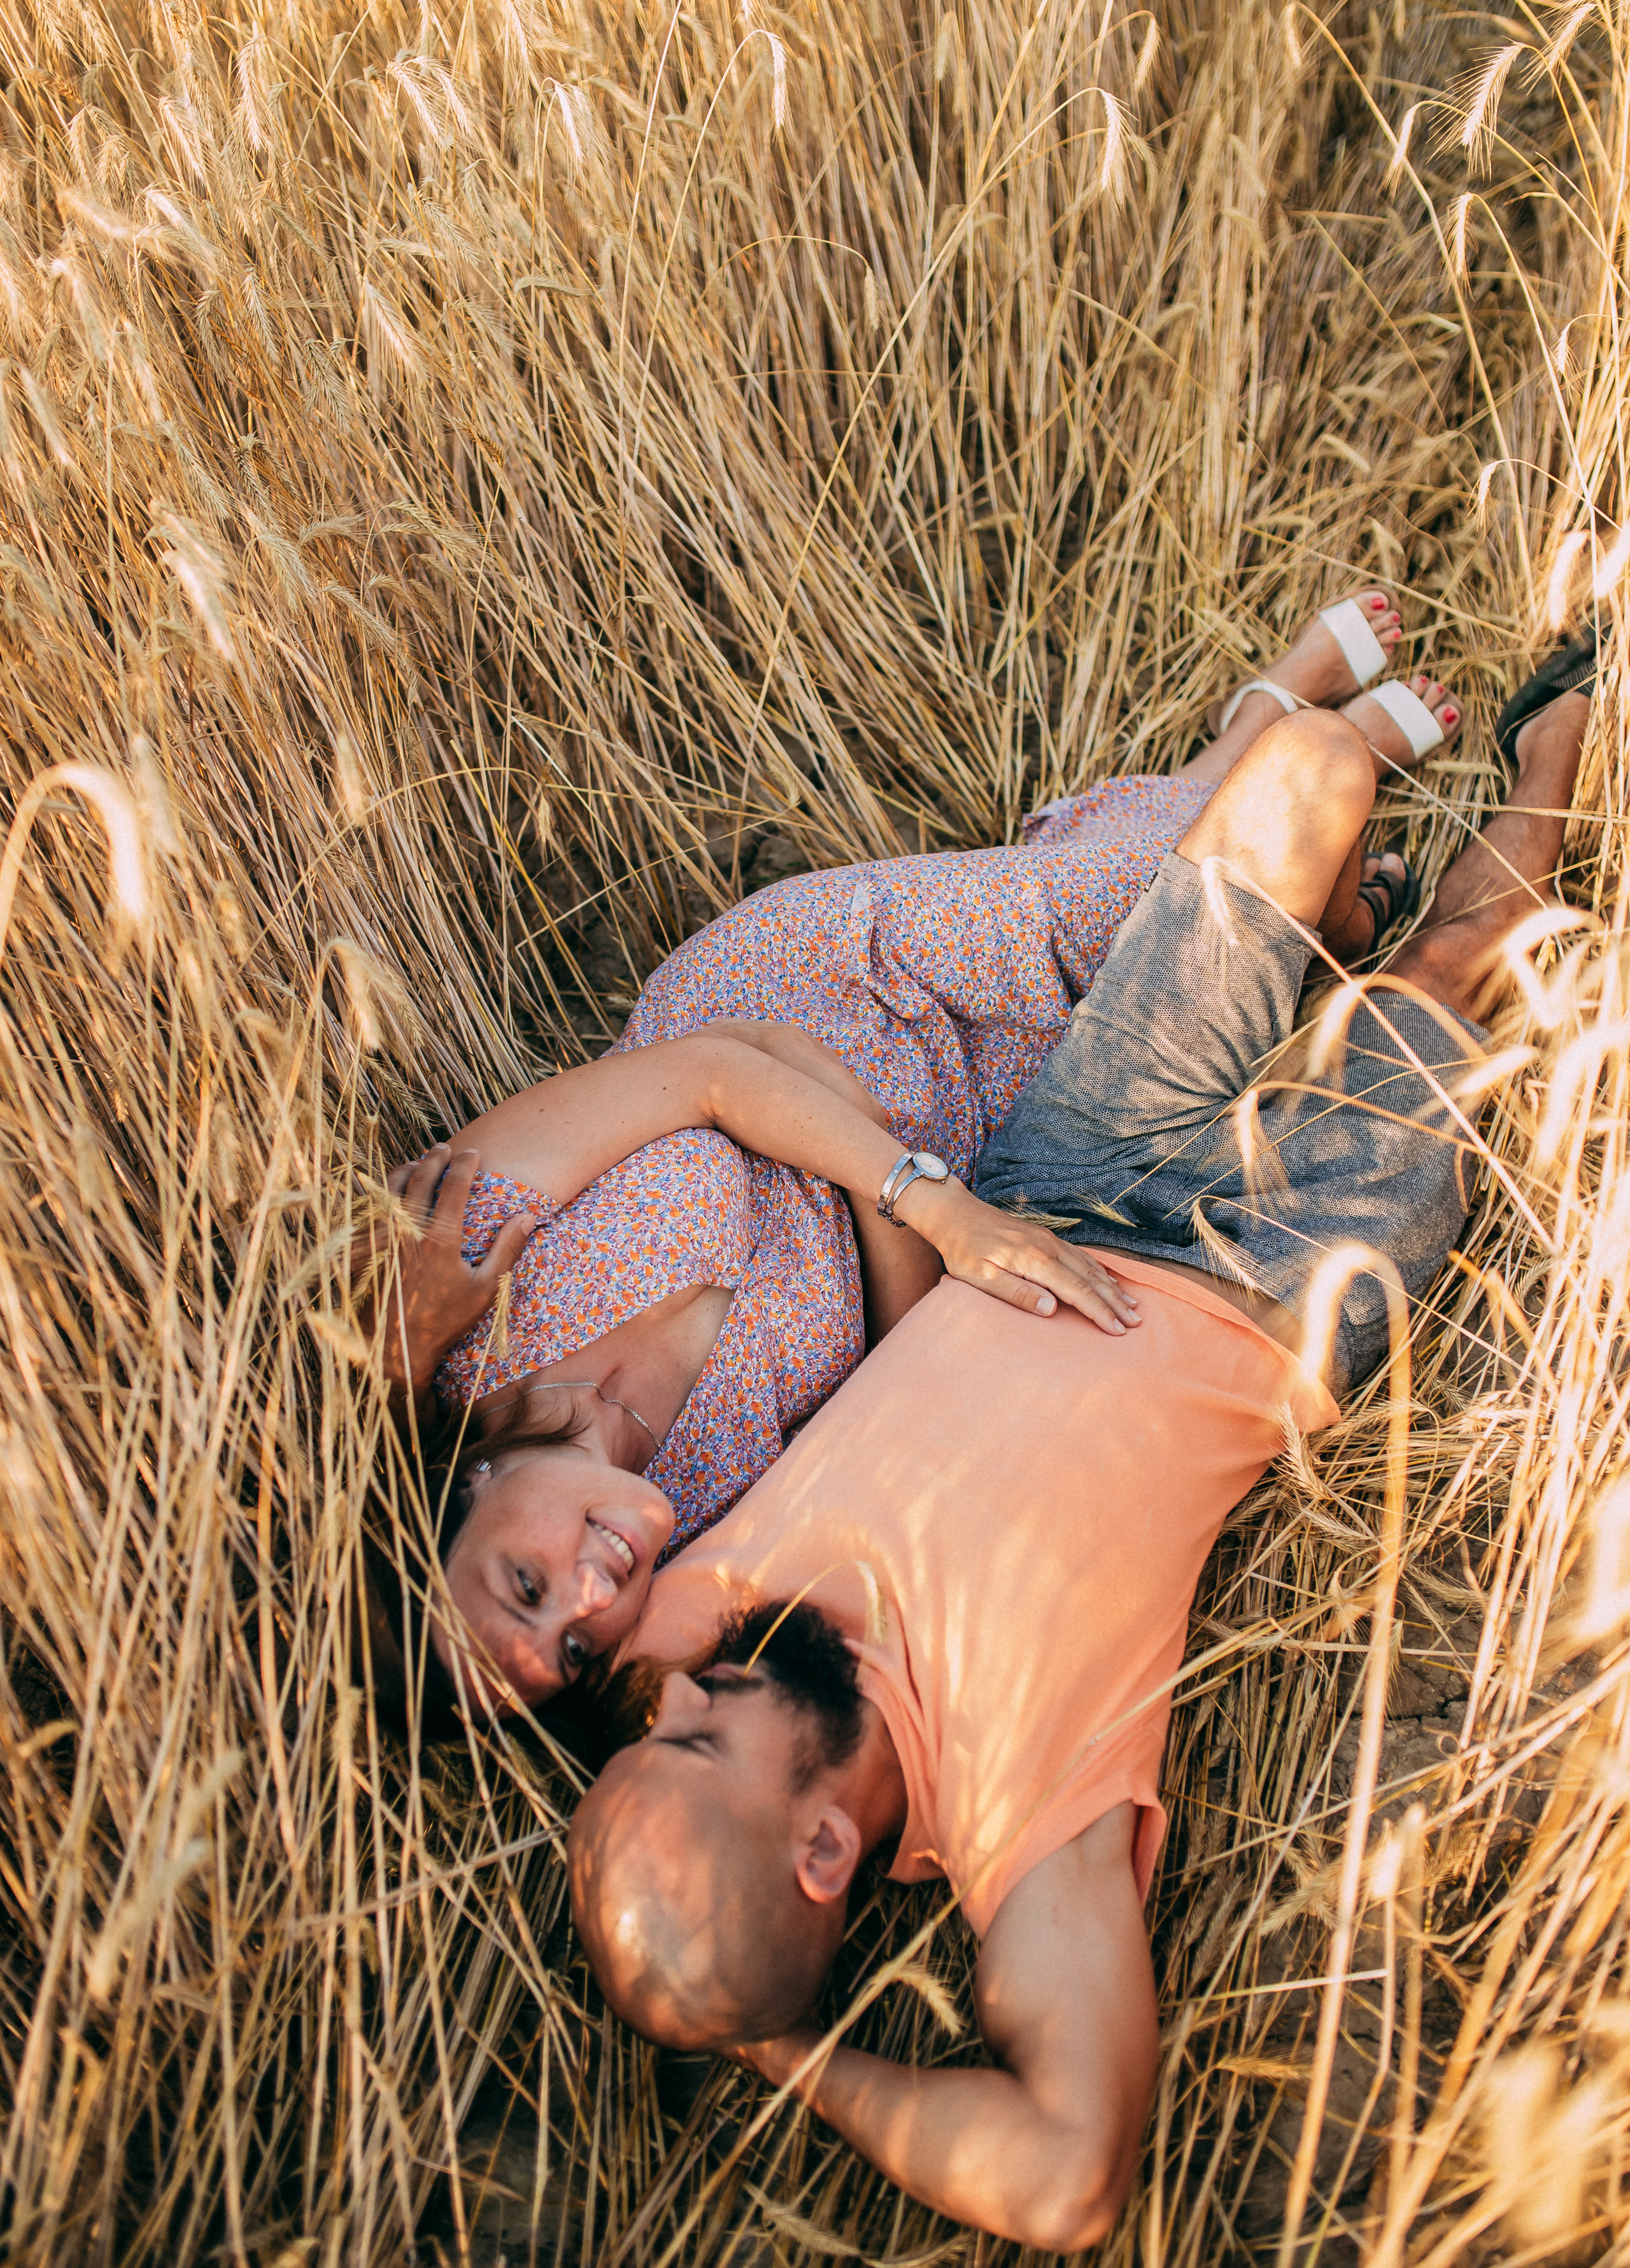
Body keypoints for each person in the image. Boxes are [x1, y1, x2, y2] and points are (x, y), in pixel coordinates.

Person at [565, 671, 1590, 2250]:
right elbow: (1066, 2179)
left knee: (1311, 767)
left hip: (1060, 1182)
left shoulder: (702, 1625)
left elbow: (516, 1609)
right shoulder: (1016, 1818)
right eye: (694, 1740)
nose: (675, 1685)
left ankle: (1308, 935)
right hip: (1279, 1275)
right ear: (826, 1846)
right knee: (1449, 972)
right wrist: (786, 2052)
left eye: (655, 1721)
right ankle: (1557, 767)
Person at [371, 596, 1459, 1711]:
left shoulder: (473, 1289)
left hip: (815, 994)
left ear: (472, 1488)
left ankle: (1282, 732)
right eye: (576, 1652)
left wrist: (909, 1197)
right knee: (1135, 966)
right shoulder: (707, 1516)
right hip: (939, 1146)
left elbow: (706, 1071)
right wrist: (909, 1186)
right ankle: (1246, 777)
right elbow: (894, 1361)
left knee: (1138, 903)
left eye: (524, 1583)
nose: (590, 1595)